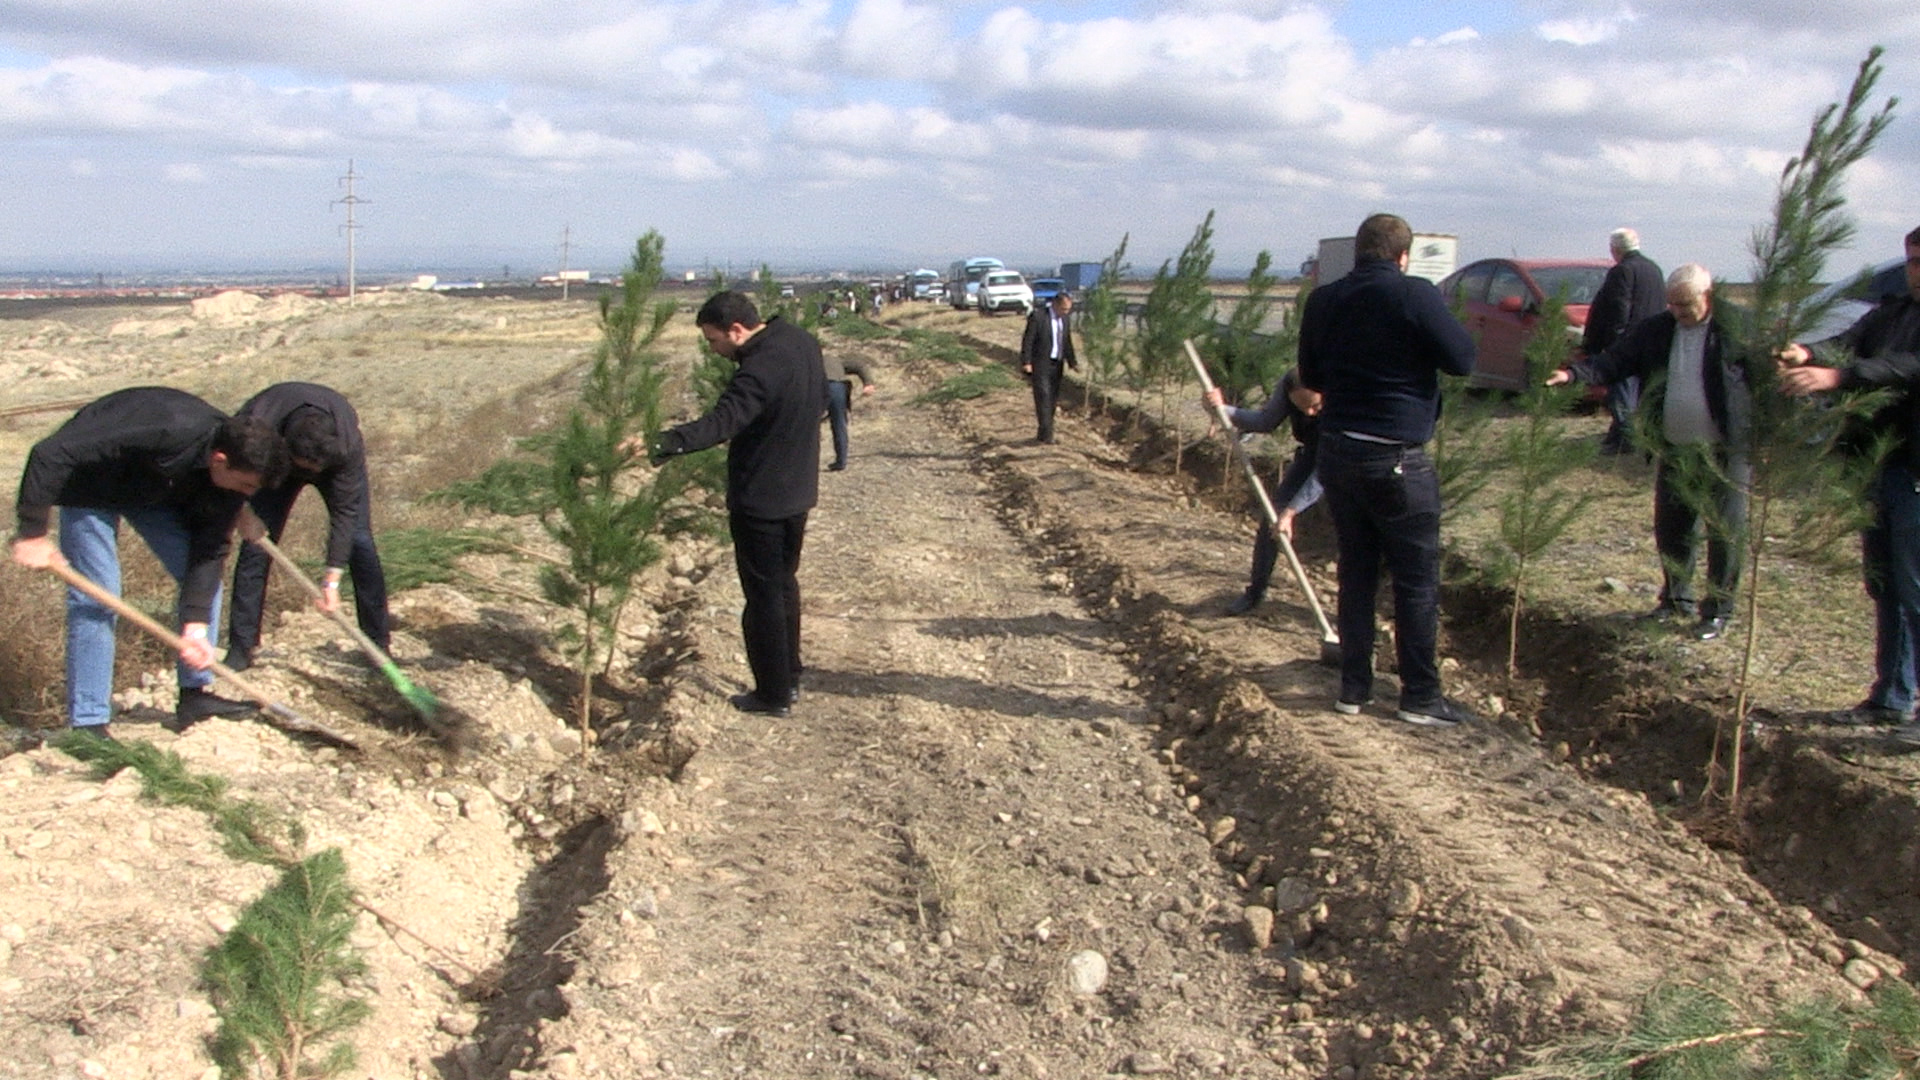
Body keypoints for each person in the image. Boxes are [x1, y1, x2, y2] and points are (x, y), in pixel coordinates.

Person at [11, 387, 289, 738]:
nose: (248, 495)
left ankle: (194, 696)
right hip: (90, 486)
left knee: (205, 585)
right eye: (246, 483)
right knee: (98, 596)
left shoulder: (227, 484)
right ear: (220, 460)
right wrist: (33, 532)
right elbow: (50, 453)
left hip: (153, 493)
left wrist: (196, 627)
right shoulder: (167, 428)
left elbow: (209, 552)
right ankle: (88, 722)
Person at [1297, 213, 1478, 728]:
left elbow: (1310, 375)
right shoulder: (1414, 295)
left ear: (1357, 253)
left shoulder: (1324, 300)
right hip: (1396, 458)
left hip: (1338, 452)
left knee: (1356, 573)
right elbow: (1463, 359)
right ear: (1404, 256)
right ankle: (1419, 696)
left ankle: (1354, 687)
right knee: (1415, 582)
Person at [1549, 264, 1750, 641]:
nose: (1678, 312)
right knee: (1673, 528)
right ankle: (1675, 600)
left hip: (1725, 451)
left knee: (1724, 531)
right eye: (1672, 304)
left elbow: (1762, 379)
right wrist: (1574, 375)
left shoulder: (1737, 329)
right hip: (1675, 447)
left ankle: (1719, 610)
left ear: (1708, 296)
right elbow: (1615, 361)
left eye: (1685, 305)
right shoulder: (1658, 330)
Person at [648, 292, 826, 717]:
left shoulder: (758, 368)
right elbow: (817, 401)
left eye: (713, 341)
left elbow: (721, 422)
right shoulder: (801, 341)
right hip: (798, 489)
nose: (714, 351)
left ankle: (772, 694)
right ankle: (791, 675)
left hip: (761, 499)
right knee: (784, 584)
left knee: (763, 597)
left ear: (737, 330)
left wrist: (662, 442)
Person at [1779, 225, 1920, 735]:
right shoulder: (1893, 312)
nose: (1915, 271)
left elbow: (1902, 368)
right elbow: (1849, 343)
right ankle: (1891, 695)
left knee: (1915, 586)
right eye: (1912, 261)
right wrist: (1808, 354)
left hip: (1914, 471)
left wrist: (1838, 378)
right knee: (1884, 583)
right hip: (1874, 464)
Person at [225, 382, 391, 672]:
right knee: (256, 548)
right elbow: (230, 468)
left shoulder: (344, 445)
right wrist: (241, 511)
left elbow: (345, 514)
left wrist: (331, 581)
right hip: (276, 466)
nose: (310, 475)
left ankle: (377, 646)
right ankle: (241, 648)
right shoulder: (257, 425)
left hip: (334, 465)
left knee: (360, 542)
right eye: (306, 466)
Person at [1202, 368, 1324, 615]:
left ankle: (1356, 618)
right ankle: (1255, 592)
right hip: (1311, 454)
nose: (1309, 414)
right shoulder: (1291, 383)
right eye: (1302, 408)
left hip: (1349, 459)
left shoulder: (1347, 397)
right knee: (1272, 518)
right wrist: (1219, 409)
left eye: (1316, 406)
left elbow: (1325, 471)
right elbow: (1264, 421)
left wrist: (1292, 512)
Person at [1583, 228, 1667, 455]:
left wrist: (1615, 340)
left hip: (1628, 342)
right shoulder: (1654, 270)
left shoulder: (1622, 271)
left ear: (1615, 249)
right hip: (1653, 340)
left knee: (1622, 392)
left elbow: (1618, 307)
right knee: (1634, 392)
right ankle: (1617, 435)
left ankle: (1626, 438)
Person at [1020, 292, 1077, 443]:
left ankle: (1043, 433)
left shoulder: (1065, 319)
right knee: (1043, 397)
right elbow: (1028, 340)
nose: (1066, 312)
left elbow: (1067, 342)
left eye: (1068, 310)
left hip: (1057, 364)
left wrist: (1072, 362)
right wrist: (1026, 362)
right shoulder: (1039, 317)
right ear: (1055, 305)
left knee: (1052, 399)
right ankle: (1048, 435)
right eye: (1064, 309)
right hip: (1040, 363)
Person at [821, 352, 878, 472]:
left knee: (809, 426)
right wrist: (868, 383)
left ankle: (805, 463)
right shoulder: (835, 358)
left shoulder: (807, 358)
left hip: (818, 387)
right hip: (837, 388)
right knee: (839, 425)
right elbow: (860, 365)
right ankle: (841, 462)